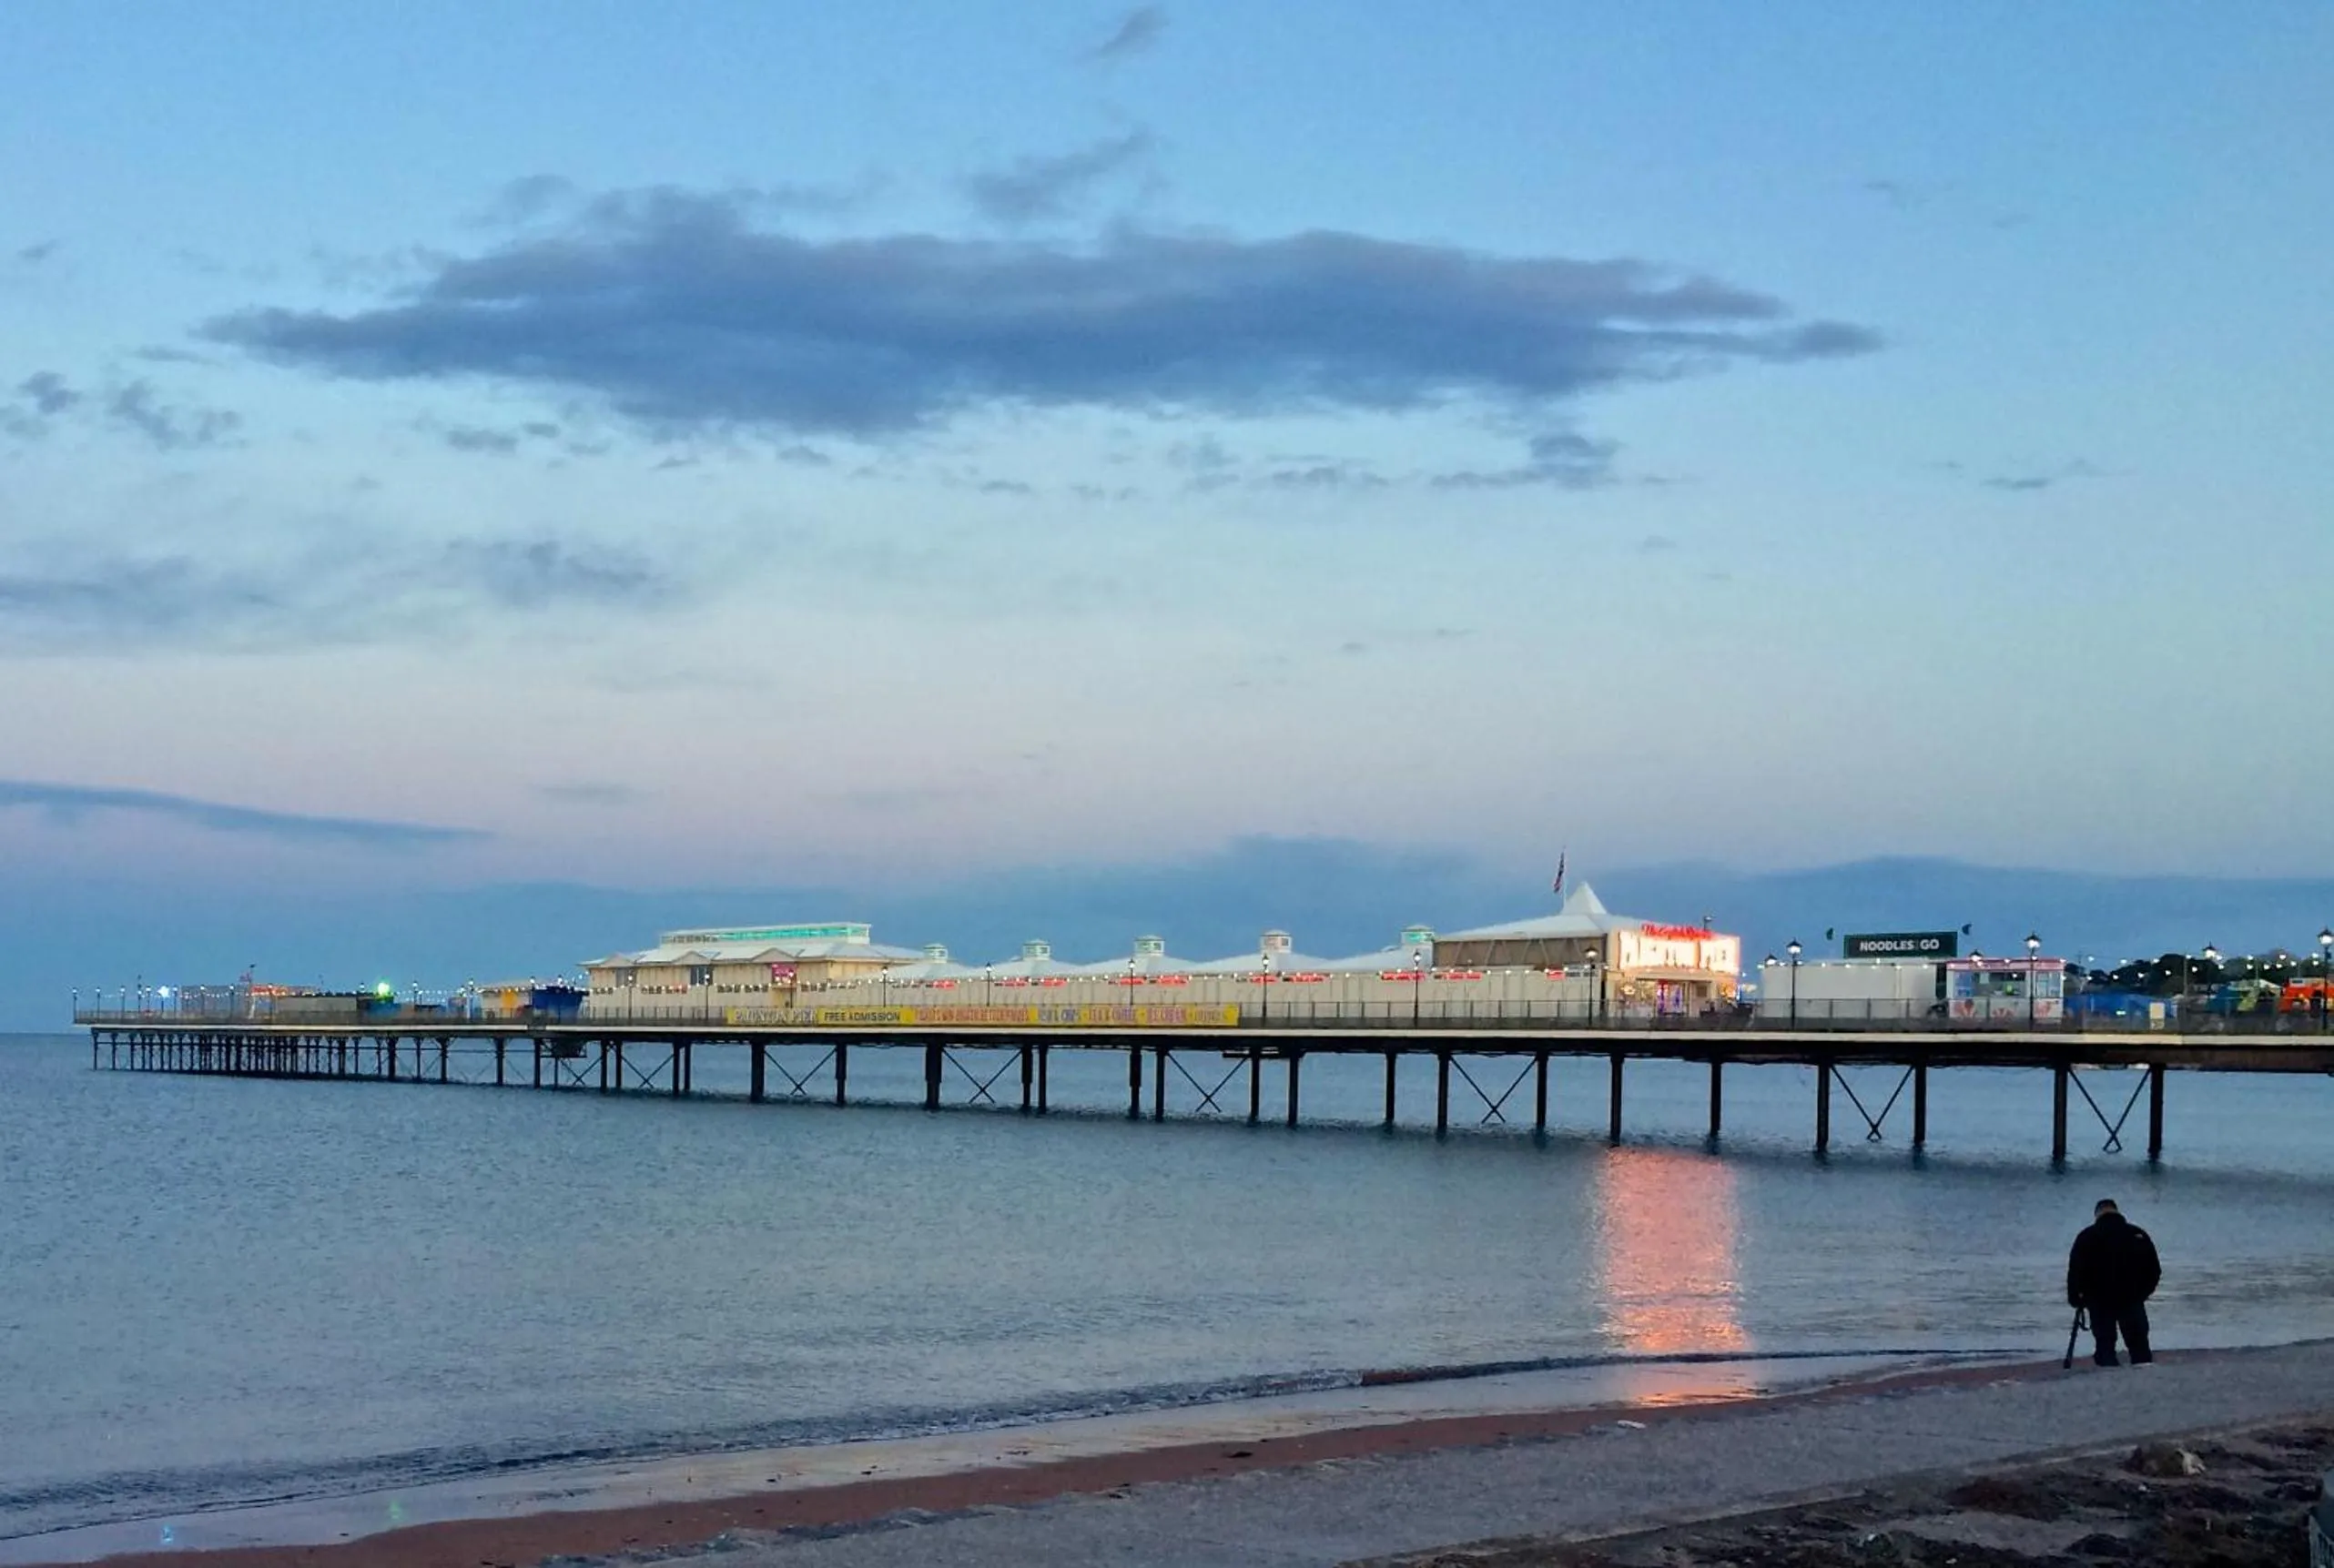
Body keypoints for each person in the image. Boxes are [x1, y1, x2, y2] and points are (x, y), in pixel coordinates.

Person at [2066, 1199, 2161, 1366]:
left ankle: (2108, 1372)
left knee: (2105, 1344)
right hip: (2131, 1296)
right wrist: (2143, 1293)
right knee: (2138, 1344)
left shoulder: (2087, 1236)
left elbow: (2075, 1271)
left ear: (2097, 1214)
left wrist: (2076, 1298)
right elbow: (2153, 1269)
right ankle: (2143, 1374)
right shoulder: (2137, 1234)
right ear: (2117, 1212)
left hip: (2099, 1299)